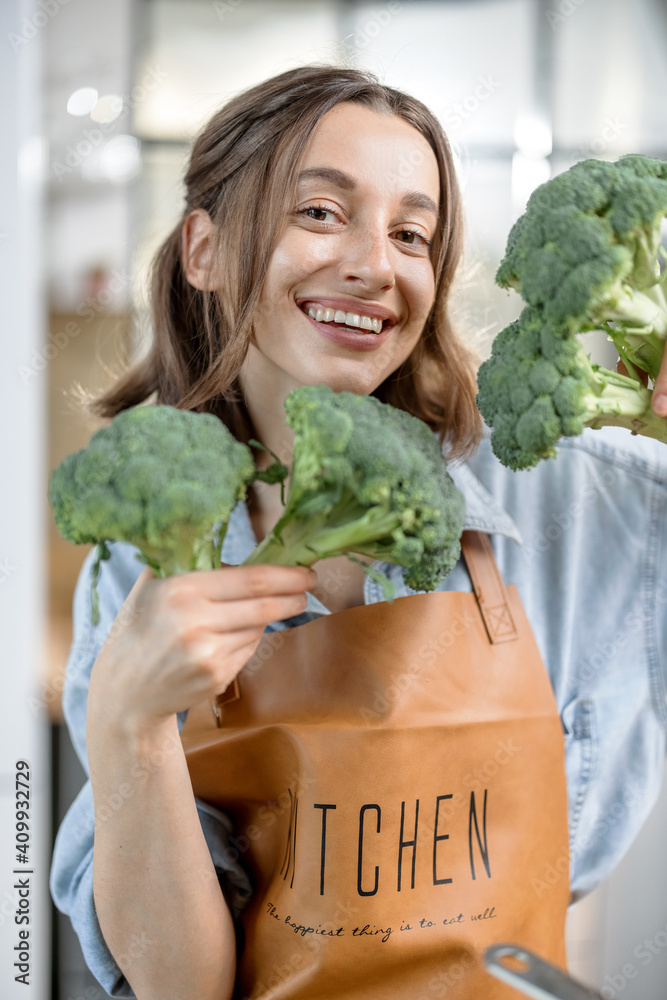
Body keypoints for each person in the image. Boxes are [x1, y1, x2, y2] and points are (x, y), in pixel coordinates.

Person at [50, 65, 667, 1000]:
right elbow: (182, 984)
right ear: (203, 251)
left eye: (411, 234)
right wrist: (129, 725)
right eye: (321, 213)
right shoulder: (140, 562)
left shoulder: (594, 504)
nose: (376, 265)